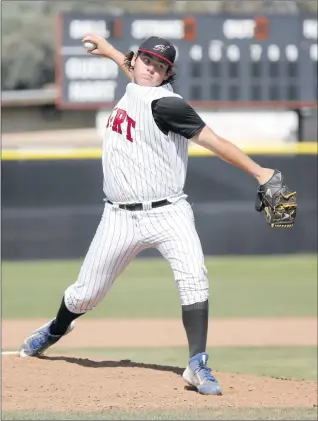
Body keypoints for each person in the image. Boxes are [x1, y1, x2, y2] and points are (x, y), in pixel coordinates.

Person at [19, 34, 287, 396]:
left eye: (160, 66)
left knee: (194, 278)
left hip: (168, 212)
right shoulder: (136, 81)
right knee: (84, 294)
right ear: (139, 60)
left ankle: (197, 363)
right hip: (119, 217)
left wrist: (261, 173)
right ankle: (56, 329)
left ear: (167, 74)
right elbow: (132, 70)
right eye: (147, 61)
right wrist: (112, 51)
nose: (151, 69)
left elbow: (216, 142)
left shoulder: (168, 105)